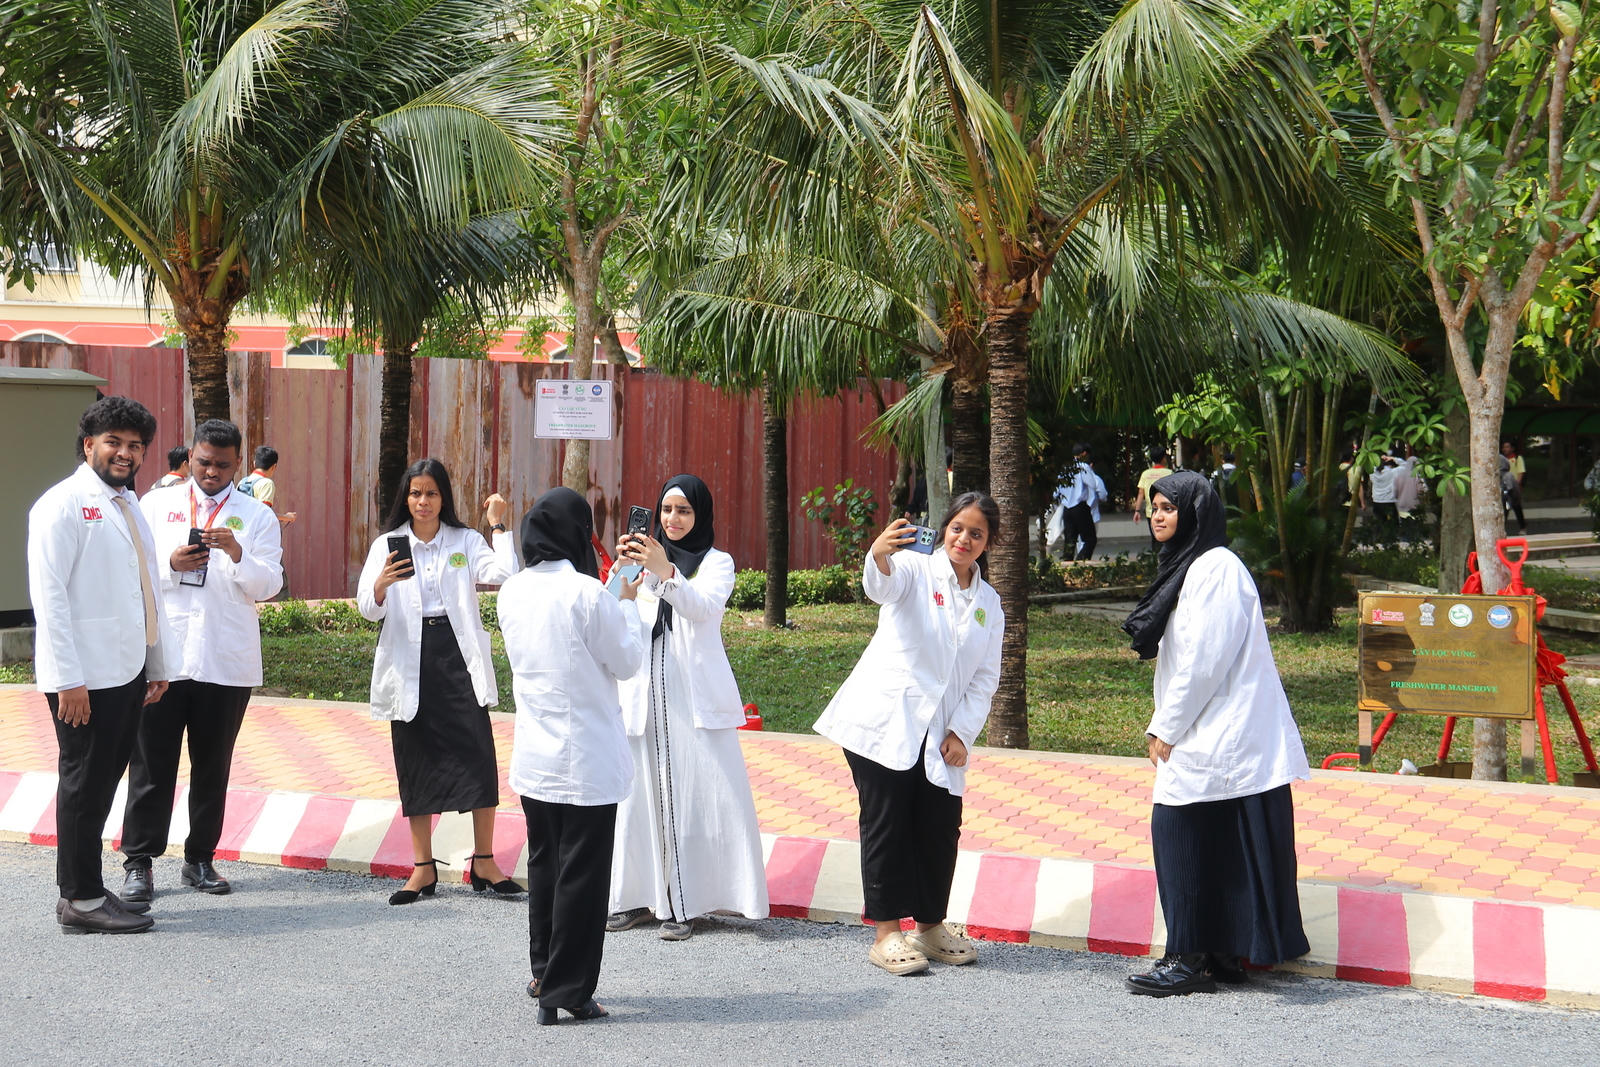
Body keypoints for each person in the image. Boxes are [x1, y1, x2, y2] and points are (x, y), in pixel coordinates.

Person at [1120, 470, 1311, 996]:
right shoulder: (1191, 564)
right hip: (1214, 728)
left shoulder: (1216, 567)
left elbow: (1205, 660)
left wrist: (1166, 726)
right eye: (1155, 507)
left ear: (1195, 513)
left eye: (1169, 507)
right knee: (1219, 840)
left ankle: (1186, 957)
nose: (1158, 516)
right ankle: (1219, 955)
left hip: (1220, 728)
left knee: (1177, 833)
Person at [814, 492, 1005, 976]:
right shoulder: (916, 569)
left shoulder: (989, 603)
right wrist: (879, 555)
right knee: (888, 822)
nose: (964, 539)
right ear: (944, 528)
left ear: (988, 542)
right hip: (886, 720)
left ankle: (931, 925)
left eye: (977, 533)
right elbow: (883, 586)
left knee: (940, 826)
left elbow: (986, 677)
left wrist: (962, 732)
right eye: (957, 528)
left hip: (940, 734)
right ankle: (886, 933)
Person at [118, 419, 283, 903]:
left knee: (213, 766)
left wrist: (238, 554)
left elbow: (270, 584)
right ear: (190, 456)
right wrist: (170, 565)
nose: (212, 472)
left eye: (223, 465)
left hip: (223, 660)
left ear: (238, 463)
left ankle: (200, 859)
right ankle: (139, 863)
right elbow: (131, 570)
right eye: (204, 462)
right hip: (164, 660)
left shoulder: (257, 516)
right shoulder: (155, 505)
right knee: (151, 764)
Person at [499, 488, 646, 1024]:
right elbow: (626, 660)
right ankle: (569, 990)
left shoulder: (512, 591)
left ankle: (544, 973)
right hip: (585, 758)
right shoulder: (587, 593)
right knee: (583, 875)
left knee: (546, 866)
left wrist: (610, 599)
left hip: (536, 756)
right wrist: (625, 602)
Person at [604, 475, 769, 941]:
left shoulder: (718, 563)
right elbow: (610, 609)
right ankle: (634, 897)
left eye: (684, 511)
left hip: (691, 696)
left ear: (700, 515)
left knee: (698, 795)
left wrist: (665, 572)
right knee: (637, 796)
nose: (673, 519)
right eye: (667, 510)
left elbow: (700, 609)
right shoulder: (642, 558)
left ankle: (687, 903)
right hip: (642, 691)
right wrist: (622, 572)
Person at [28, 396, 170, 933]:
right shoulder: (62, 505)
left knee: (101, 785)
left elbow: (146, 589)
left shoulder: (128, 504)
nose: (125, 453)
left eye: (135, 445)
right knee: (84, 785)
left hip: (125, 672)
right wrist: (67, 680)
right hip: (83, 679)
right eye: (113, 442)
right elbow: (50, 599)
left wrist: (157, 662)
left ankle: (85, 886)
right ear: (89, 445)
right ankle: (81, 899)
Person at [357, 458, 518, 905]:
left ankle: (484, 861)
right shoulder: (387, 545)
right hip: (411, 658)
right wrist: (381, 584)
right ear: (405, 498)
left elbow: (505, 575)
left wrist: (497, 525)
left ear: (443, 497)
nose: (423, 501)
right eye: (415, 493)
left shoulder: (465, 541)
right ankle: (423, 868)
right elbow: (367, 609)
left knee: (478, 755)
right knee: (416, 757)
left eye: (431, 493)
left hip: (457, 657)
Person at [1054, 444, 1108, 562]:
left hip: (1067, 508)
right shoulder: (1083, 467)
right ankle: (1081, 563)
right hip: (1079, 506)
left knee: (1070, 540)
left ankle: (1067, 564)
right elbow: (1092, 484)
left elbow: (1057, 492)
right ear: (1084, 454)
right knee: (1090, 539)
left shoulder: (1066, 467)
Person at [237, 445, 297, 526]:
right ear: (274, 467)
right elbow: (264, 514)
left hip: (240, 528)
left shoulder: (242, 482)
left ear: (254, 463)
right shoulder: (267, 483)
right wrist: (287, 517)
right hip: (255, 530)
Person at [1132, 448, 1171, 551]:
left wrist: (1137, 511)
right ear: (1163, 458)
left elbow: (1141, 493)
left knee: (1155, 537)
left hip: (1151, 512)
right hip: (1167, 511)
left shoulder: (1145, 474)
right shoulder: (1169, 473)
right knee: (1167, 538)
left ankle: (1155, 557)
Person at [1500, 441, 1526, 532]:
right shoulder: (1501, 459)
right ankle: (1502, 528)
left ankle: (1523, 527)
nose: (1505, 449)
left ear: (1512, 448)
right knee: (1505, 509)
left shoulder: (1517, 458)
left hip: (1514, 488)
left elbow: (1520, 472)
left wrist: (1516, 486)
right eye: (1504, 447)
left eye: (1507, 447)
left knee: (1517, 508)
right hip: (1505, 488)